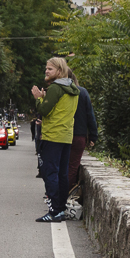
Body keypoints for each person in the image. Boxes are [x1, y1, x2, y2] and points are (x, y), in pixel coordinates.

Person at [31, 56, 79, 222]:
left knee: (49, 173)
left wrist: (38, 98)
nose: (46, 71)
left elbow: (45, 111)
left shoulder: (56, 88)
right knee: (62, 174)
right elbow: (57, 110)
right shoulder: (72, 88)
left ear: (59, 71)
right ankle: (60, 209)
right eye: (46, 68)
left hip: (52, 136)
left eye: (50, 69)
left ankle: (54, 212)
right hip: (66, 136)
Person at [66, 68, 98, 192]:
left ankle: (55, 196)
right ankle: (65, 196)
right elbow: (90, 115)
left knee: (61, 165)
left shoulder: (58, 92)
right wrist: (93, 136)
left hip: (62, 134)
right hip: (79, 135)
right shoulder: (82, 92)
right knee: (73, 167)